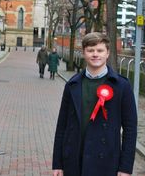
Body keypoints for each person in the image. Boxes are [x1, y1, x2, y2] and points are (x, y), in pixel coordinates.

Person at [52, 32, 137, 176]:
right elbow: (62, 126)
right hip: (73, 158)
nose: (95, 54)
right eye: (90, 50)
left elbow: (130, 129)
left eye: (100, 50)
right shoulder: (72, 84)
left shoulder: (122, 86)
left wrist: (125, 167)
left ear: (108, 53)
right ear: (84, 53)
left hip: (106, 161)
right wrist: (57, 163)